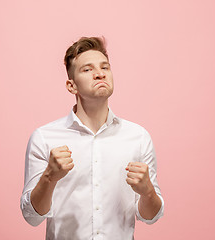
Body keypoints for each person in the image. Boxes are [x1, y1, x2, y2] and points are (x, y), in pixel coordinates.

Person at [20, 37, 164, 239]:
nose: (99, 74)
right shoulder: (44, 138)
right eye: (87, 70)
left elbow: (151, 217)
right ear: (71, 86)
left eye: (105, 67)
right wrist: (49, 177)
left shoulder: (138, 137)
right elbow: (31, 217)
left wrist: (147, 191)